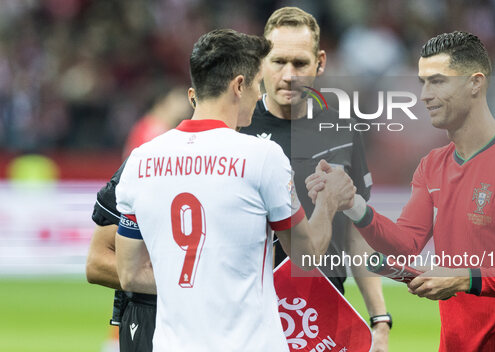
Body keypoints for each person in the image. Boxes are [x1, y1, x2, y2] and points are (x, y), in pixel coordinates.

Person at [307, 31, 495, 352]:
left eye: (438, 81)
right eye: (423, 82)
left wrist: (464, 278)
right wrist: (352, 204)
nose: (424, 95)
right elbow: (406, 244)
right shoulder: (433, 165)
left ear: (475, 83)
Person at [114, 28, 355, 351]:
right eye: (257, 85)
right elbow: (305, 255)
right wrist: (328, 202)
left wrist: (192, 285)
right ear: (239, 85)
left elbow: (129, 274)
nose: (260, 96)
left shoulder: (140, 160)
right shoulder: (262, 157)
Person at [239, 8, 390, 349]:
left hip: (322, 320)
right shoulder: (237, 129)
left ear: (320, 62)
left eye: (300, 63)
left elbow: (356, 232)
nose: (289, 74)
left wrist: (379, 318)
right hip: (251, 320)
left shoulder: (344, 130)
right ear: (261, 61)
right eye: (278, 62)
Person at [86, 88, 189, 351]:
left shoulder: (147, 128)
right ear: (163, 101)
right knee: (133, 274)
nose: (182, 107)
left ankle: (114, 339)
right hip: (138, 211)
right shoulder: (155, 132)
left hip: (132, 209)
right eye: (176, 100)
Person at [122, 87, 191, 159]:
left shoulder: (150, 125)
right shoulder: (154, 131)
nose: (185, 105)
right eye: (178, 100)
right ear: (162, 103)